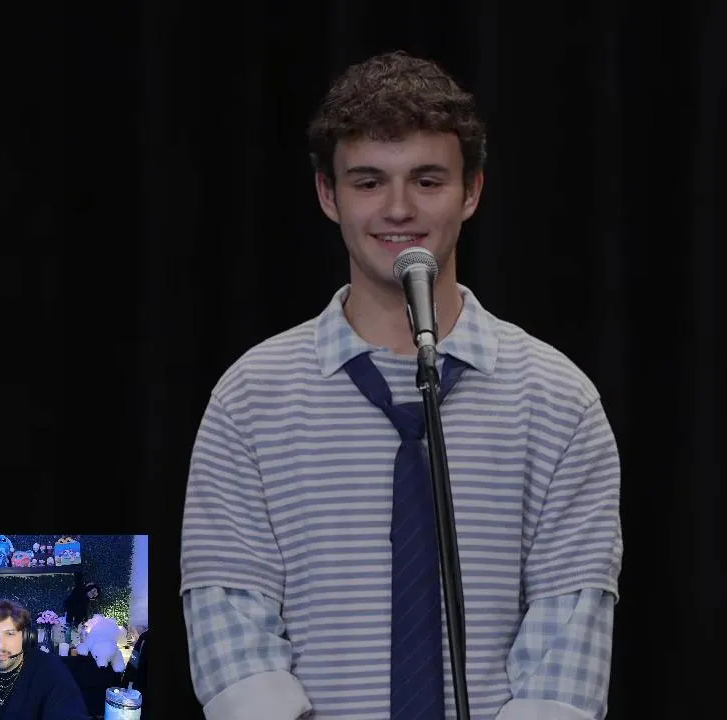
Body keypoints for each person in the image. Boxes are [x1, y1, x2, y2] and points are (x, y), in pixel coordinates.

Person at [180, 50, 623, 720]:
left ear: (471, 192)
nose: (398, 209)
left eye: (427, 180)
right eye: (368, 182)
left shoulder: (558, 400)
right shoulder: (251, 398)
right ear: (327, 195)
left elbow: (570, 633)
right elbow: (228, 619)